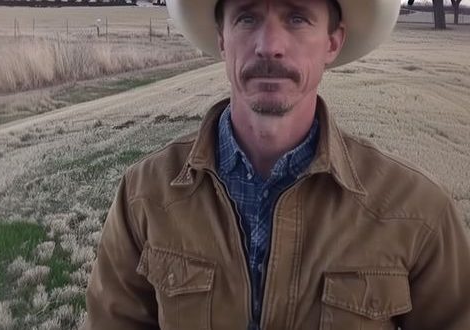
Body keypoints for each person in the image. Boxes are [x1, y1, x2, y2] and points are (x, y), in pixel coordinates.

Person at [81, 0, 470, 329]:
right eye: (247, 18)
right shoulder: (144, 195)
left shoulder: (418, 213)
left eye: (297, 18)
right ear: (221, 39)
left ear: (332, 43)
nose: (269, 46)